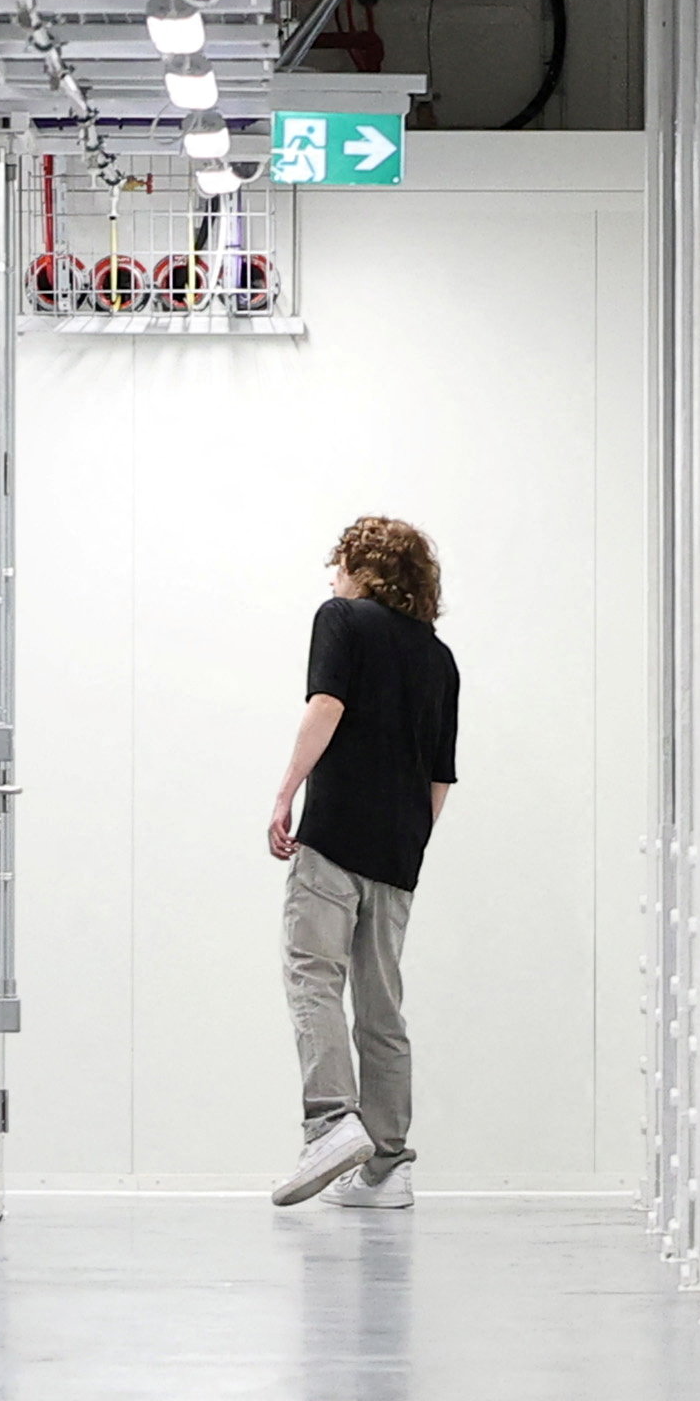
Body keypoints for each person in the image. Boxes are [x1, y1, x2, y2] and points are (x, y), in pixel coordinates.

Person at [266, 514, 460, 1209]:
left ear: (363, 568)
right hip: (399, 854)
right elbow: (440, 776)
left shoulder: (341, 620)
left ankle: (329, 1123)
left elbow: (326, 706)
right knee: (381, 1006)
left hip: (335, 837)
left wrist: (285, 793)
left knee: (313, 975)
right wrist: (409, 843)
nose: (333, 578)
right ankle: (387, 1166)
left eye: (340, 563)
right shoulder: (440, 658)